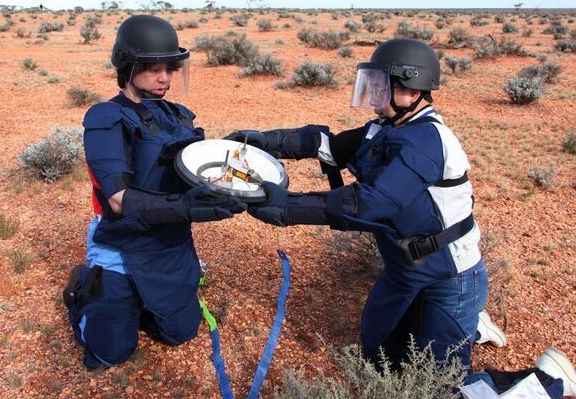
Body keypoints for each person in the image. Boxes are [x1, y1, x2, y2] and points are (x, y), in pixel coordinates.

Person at [226, 38, 573, 397]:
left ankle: (548, 380)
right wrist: (260, 140)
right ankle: (466, 327)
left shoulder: (424, 142)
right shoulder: (387, 128)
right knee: (379, 359)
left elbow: (372, 204)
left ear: (410, 90)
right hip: (404, 267)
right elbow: (323, 143)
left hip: (449, 277)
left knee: (436, 388)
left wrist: (287, 208)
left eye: (379, 85)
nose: (372, 93)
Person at [64, 15, 246, 370]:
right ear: (127, 67)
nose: (164, 78)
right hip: (123, 240)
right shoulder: (105, 118)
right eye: (152, 68)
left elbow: (198, 164)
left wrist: (245, 168)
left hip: (168, 237)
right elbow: (118, 200)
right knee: (108, 353)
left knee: (180, 332)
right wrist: (186, 206)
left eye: (170, 68)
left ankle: (139, 301)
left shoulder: (176, 115)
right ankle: (86, 290)